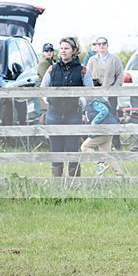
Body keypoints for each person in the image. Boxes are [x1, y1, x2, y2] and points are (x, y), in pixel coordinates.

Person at [41, 36, 94, 177]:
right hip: (54, 114)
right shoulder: (52, 69)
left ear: (74, 50)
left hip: (73, 114)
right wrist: (49, 99)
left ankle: (74, 184)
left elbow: (91, 92)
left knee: (72, 149)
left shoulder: (83, 71)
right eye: (62, 48)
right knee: (56, 150)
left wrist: (81, 102)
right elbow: (43, 88)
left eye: (67, 48)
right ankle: (57, 184)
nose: (63, 51)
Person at [86, 36, 124, 150]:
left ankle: (116, 145)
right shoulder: (92, 60)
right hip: (96, 96)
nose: (101, 46)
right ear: (96, 46)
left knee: (112, 117)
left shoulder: (115, 59)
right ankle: (97, 143)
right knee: (96, 117)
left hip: (110, 95)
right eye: (99, 44)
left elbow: (120, 76)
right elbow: (87, 76)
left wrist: (113, 90)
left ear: (107, 45)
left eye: (104, 43)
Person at [81, 97, 122, 176]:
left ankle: (101, 163)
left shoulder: (94, 102)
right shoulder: (92, 103)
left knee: (85, 147)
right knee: (106, 154)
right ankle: (119, 173)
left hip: (102, 130)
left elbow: (104, 110)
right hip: (107, 130)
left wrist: (94, 122)